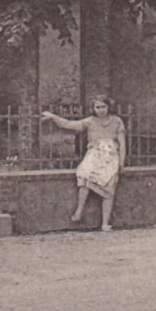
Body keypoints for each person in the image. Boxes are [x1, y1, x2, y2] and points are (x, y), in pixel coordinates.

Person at [40, 96, 127, 231]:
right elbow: (69, 124)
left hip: (111, 156)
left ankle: (105, 223)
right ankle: (79, 211)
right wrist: (53, 117)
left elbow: (122, 144)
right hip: (94, 155)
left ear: (108, 107)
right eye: (97, 107)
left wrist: (121, 162)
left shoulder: (117, 121)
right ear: (93, 109)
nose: (101, 110)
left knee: (109, 186)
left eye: (103, 107)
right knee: (84, 174)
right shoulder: (90, 121)